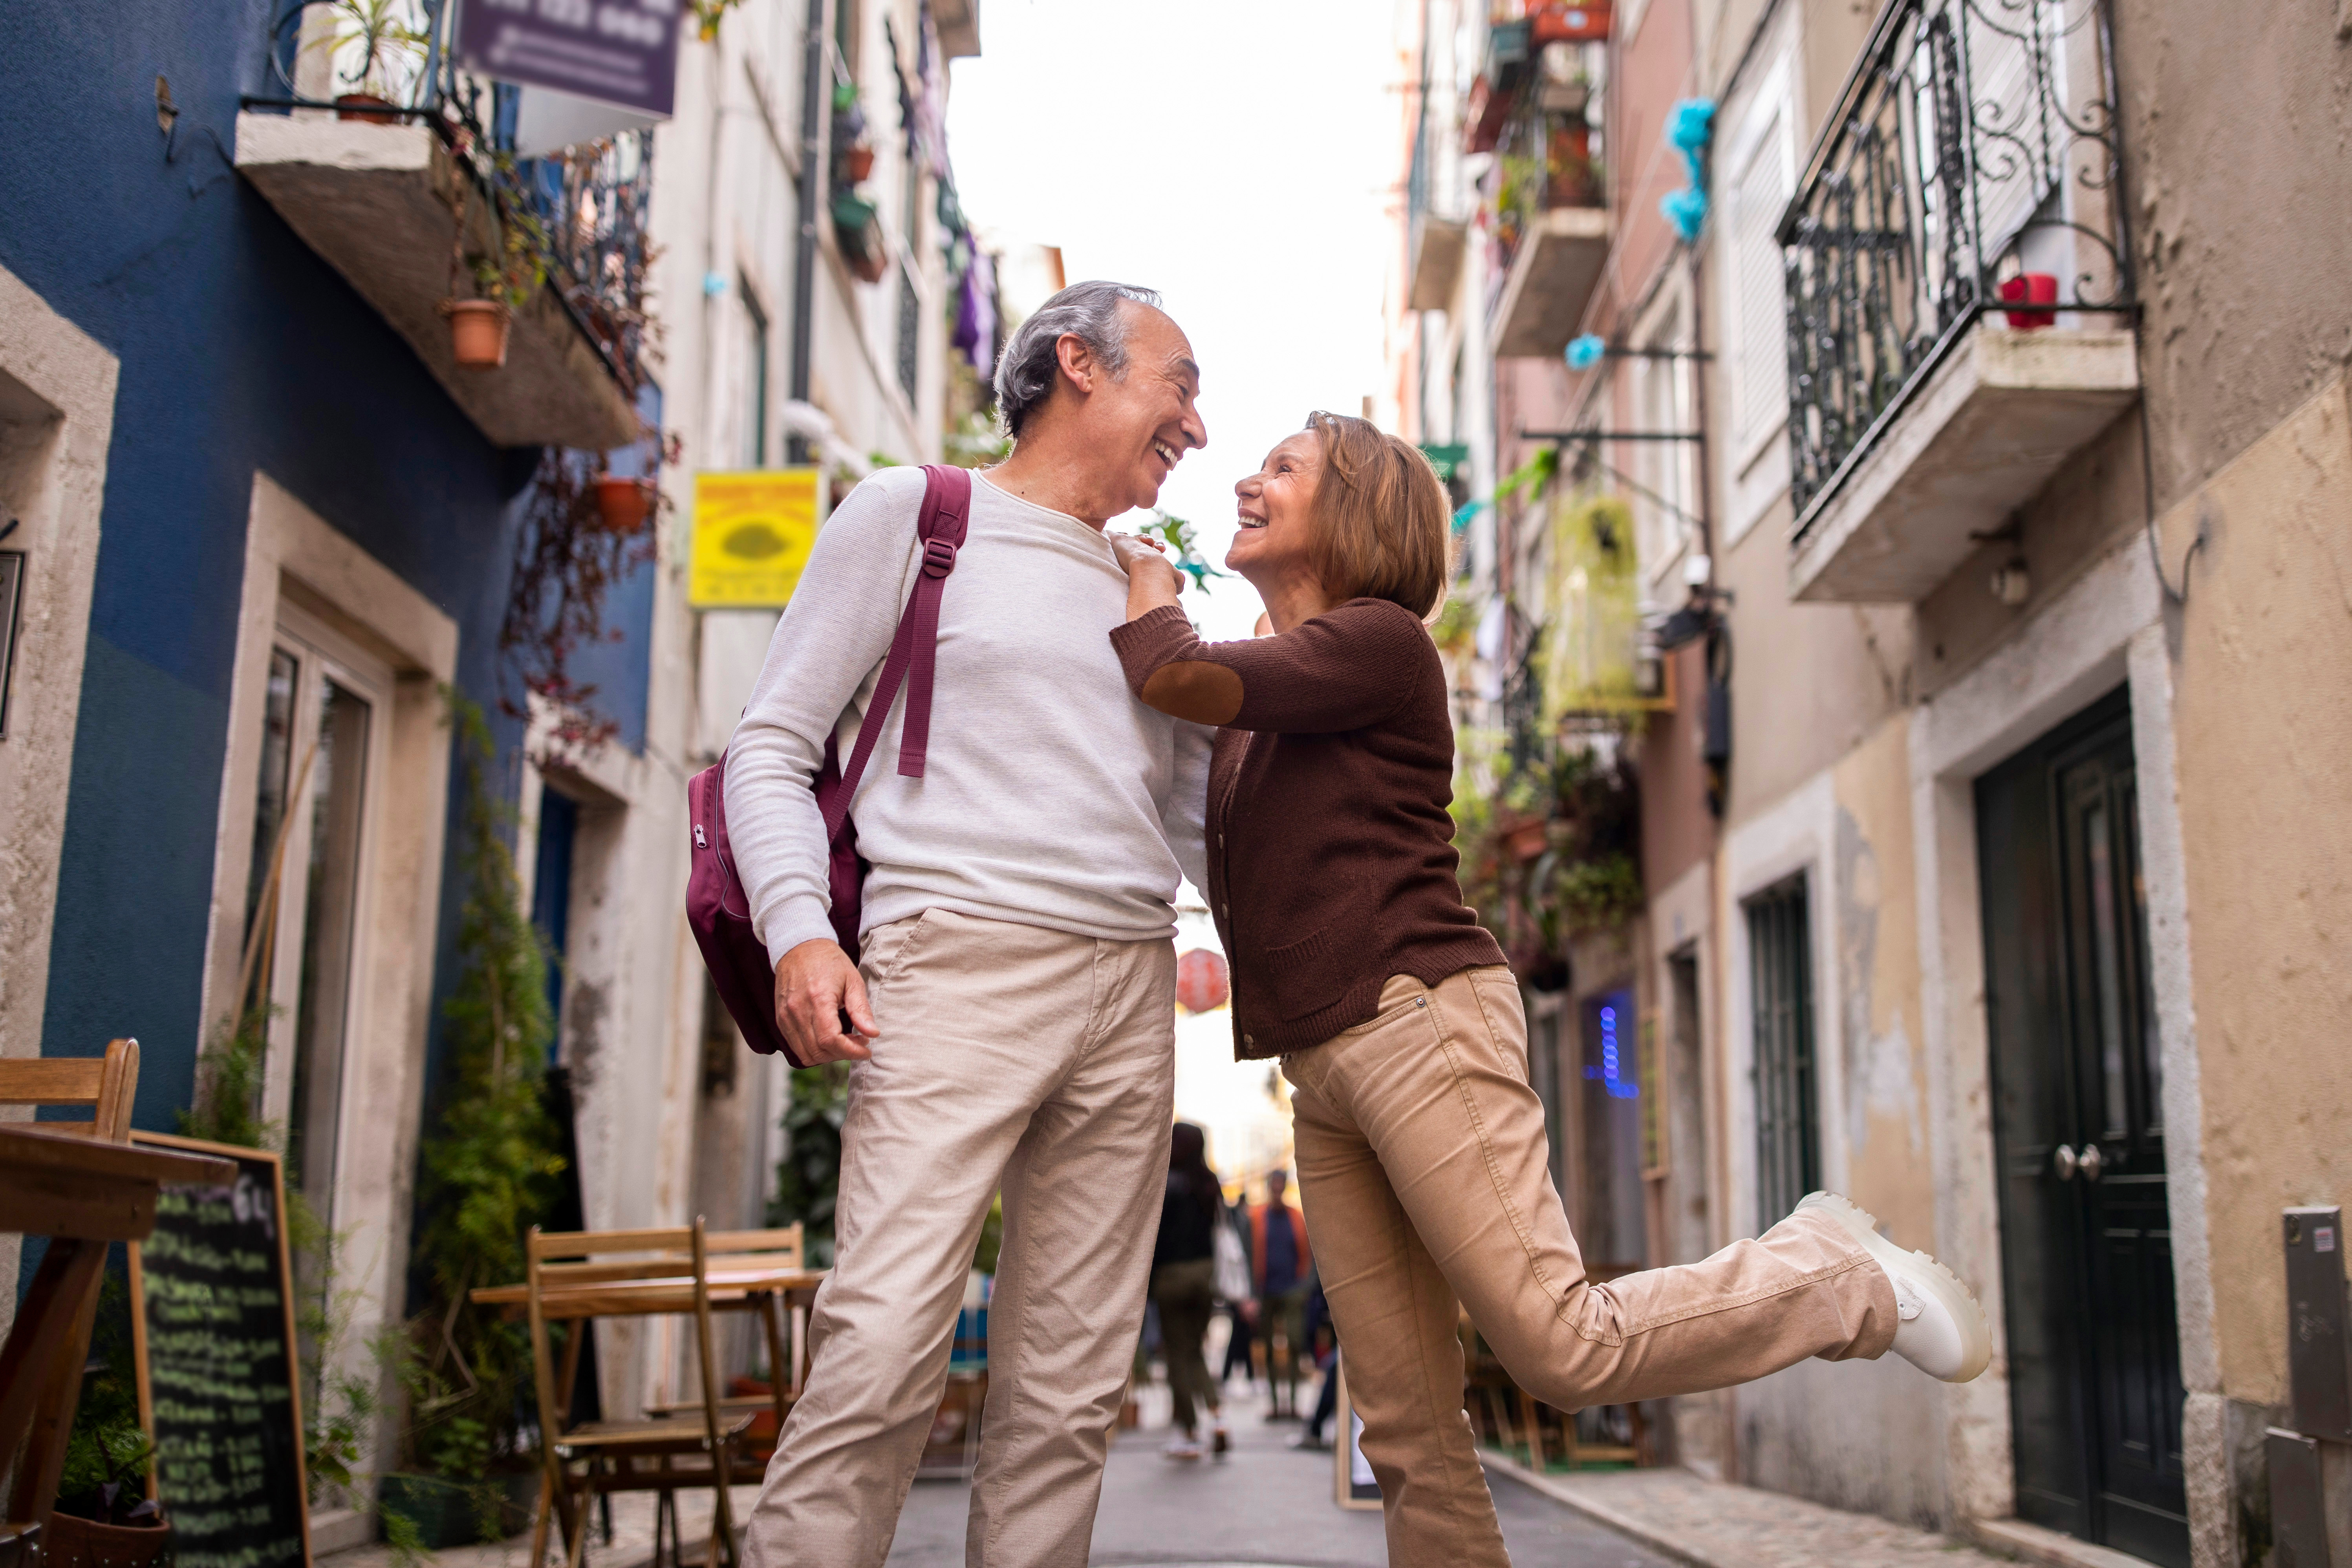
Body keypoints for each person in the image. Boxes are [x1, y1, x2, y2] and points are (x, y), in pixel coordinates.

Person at [1106, 412, 1991, 1565]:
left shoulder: (1378, 644)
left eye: (1282, 467)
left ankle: (1835, 1276)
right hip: (1324, 1069)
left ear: (1357, 512)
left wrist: (1135, 573)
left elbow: (1176, 670)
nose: (1247, 478)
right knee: (1408, 1426)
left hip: (1417, 1018)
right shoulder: (1261, 713)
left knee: (1562, 1345)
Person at [729, 280, 1213, 1567]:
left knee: (1066, 1396)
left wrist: (1258, 933)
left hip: (1128, 986)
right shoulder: (915, 515)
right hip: (952, 963)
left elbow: (1188, 816)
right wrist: (799, 933)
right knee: (880, 1350)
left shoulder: (1141, 584)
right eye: (1180, 383)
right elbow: (768, 748)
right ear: (1079, 365)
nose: (1199, 429)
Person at [1149, 1122, 1232, 1460]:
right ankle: (1218, 1417)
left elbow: (1154, 1236)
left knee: (1176, 1357)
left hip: (1172, 1278)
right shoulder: (1209, 1182)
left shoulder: (1166, 1182)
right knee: (1195, 1351)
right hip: (1205, 1275)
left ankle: (1188, 1432)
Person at [1246, 1168, 1312, 1415]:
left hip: (1293, 1289)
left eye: (1280, 1185)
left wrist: (1305, 1286)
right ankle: (1275, 1404)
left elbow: (1308, 1254)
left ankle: (1294, 1403)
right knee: (1269, 1347)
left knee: (1294, 1343)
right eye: (1273, 1185)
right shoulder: (1256, 1217)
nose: (1276, 1190)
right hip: (1265, 1291)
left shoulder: (1296, 1217)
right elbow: (1249, 1253)